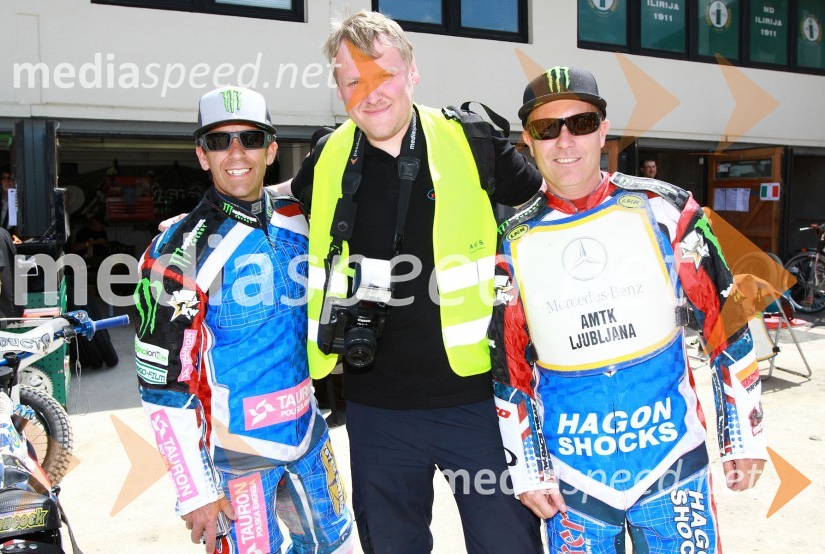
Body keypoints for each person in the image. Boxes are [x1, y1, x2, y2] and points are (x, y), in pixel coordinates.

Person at [288, 10, 544, 553]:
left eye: (384, 75)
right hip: (375, 408)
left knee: (508, 544)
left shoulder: (476, 142)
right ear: (338, 88)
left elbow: (556, 213)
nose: (370, 93)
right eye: (353, 80)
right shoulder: (324, 160)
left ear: (412, 72)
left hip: (479, 402)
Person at [492, 66, 767, 553]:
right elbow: (509, 365)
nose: (564, 141)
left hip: (672, 461)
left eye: (579, 123)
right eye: (545, 128)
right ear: (528, 142)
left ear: (602, 130)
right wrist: (528, 469)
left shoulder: (667, 208)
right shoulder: (512, 239)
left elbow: (727, 320)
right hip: (574, 477)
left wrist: (742, 436)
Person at [133, 86, 353, 554]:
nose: (236, 153)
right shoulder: (177, 253)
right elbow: (162, 386)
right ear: (201, 155)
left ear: (271, 150)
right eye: (219, 141)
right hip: (236, 459)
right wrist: (196, 491)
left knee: (333, 546)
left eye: (250, 139)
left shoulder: (302, 218)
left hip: (309, 435)